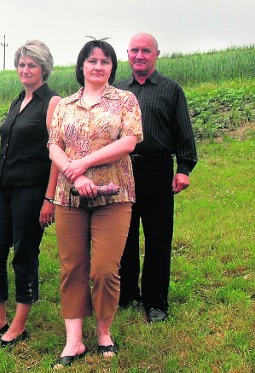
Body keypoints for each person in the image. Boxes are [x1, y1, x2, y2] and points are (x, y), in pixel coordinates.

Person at [47, 40, 143, 368]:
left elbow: (129, 141)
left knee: (104, 268)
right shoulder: (65, 104)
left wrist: (84, 163)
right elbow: (54, 146)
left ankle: (104, 331)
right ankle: (73, 341)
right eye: (92, 61)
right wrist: (76, 177)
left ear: (112, 67)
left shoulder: (125, 100)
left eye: (105, 61)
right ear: (82, 66)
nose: (98, 66)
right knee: (72, 267)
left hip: (114, 195)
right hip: (70, 196)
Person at [0, 40, 61, 346]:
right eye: (22, 65)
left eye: (32, 65)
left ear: (44, 69)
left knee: (24, 254)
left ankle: (18, 324)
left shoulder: (52, 102)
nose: (25, 70)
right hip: (3, 188)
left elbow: (57, 152)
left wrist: (49, 198)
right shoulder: (17, 102)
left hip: (32, 189)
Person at [114, 33, 198, 323]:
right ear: (127, 54)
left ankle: (155, 302)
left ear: (156, 54)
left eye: (146, 51)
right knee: (124, 236)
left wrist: (184, 168)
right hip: (121, 170)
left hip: (156, 170)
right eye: (135, 50)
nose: (140, 55)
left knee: (158, 238)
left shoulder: (170, 89)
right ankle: (126, 295)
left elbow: (183, 131)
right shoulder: (116, 91)